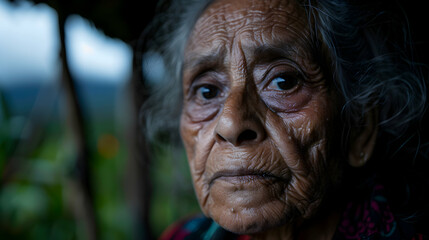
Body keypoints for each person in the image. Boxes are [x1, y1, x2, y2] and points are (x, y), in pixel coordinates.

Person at [141, 0, 429, 239]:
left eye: (283, 81)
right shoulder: (183, 236)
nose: (230, 124)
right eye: (207, 91)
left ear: (359, 127)